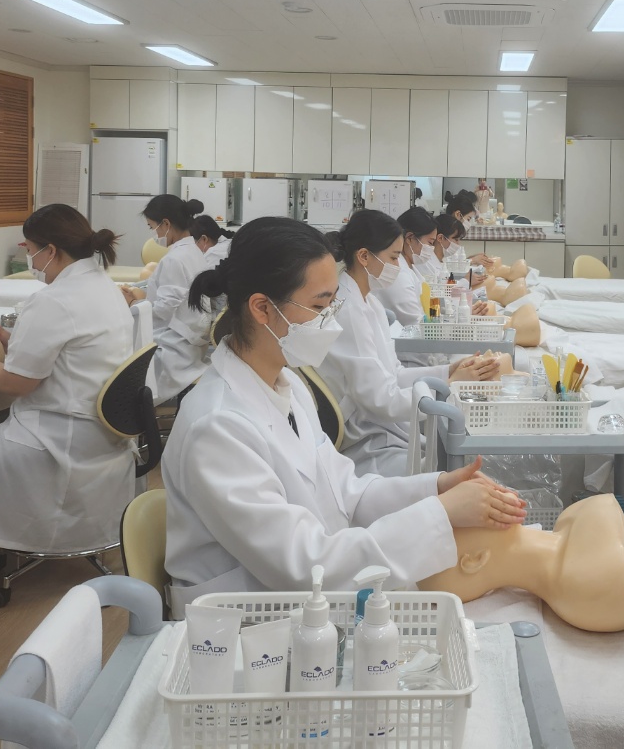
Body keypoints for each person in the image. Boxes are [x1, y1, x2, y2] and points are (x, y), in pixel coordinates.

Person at [163, 217, 525, 602]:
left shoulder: (287, 386)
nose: (330, 321)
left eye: (332, 303)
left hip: (312, 594)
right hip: (247, 620)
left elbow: (348, 493)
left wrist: (435, 488)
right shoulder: (217, 427)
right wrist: (440, 513)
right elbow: (305, 567)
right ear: (262, 308)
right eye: (319, 306)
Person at [0, 205, 134, 554]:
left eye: (30, 250)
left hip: (57, 439)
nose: (31, 261)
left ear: (51, 250)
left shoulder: (54, 301)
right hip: (102, 431)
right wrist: (14, 342)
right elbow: (72, 354)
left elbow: (17, 385)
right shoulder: (104, 286)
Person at [321, 210, 503, 476]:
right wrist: (449, 384)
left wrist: (448, 372)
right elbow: (382, 401)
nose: (398, 265)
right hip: (368, 437)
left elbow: (393, 373)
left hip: (383, 423)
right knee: (461, 466)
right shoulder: (349, 310)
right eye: (393, 257)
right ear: (364, 256)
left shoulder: (368, 301)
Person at [126, 195, 209, 402]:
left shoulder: (175, 259)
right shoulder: (193, 251)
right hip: (189, 344)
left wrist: (133, 304)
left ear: (166, 224)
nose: (155, 234)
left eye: (152, 227)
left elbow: (163, 310)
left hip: (172, 352)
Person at [372, 207, 441, 327]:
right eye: (430, 243)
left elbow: (430, 308)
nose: (431, 248)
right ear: (409, 238)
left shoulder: (410, 268)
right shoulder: (399, 273)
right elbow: (414, 321)